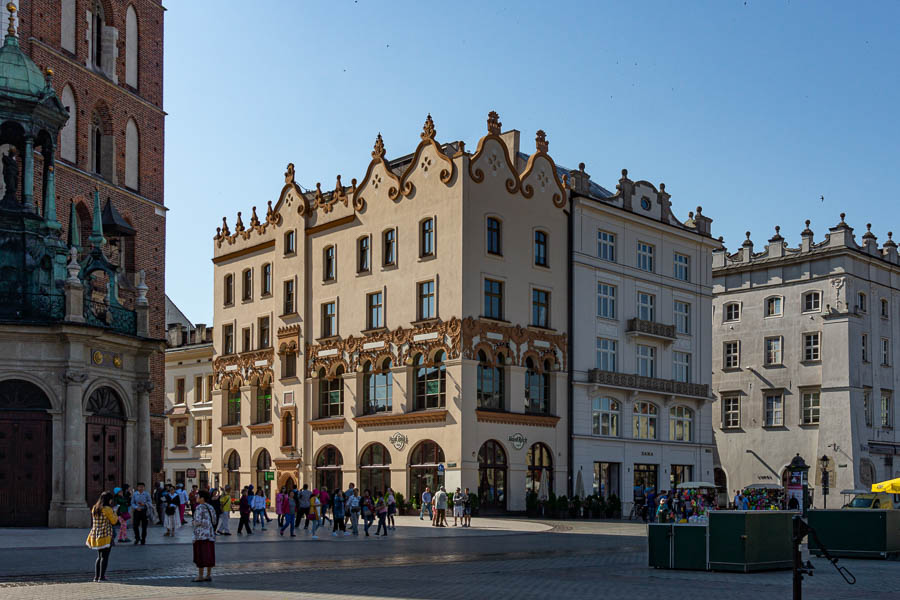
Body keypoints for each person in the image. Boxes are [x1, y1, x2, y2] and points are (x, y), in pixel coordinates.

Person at [86, 491, 118, 582]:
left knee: (99, 557)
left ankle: (96, 577)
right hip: (106, 534)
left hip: (96, 534)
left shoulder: (95, 508)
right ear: (109, 500)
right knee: (105, 557)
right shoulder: (107, 509)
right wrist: (115, 513)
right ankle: (102, 576)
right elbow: (114, 521)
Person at [191, 490, 216, 583]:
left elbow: (197, 522)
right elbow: (214, 521)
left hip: (200, 535)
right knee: (209, 554)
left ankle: (200, 575)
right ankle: (208, 575)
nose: (196, 497)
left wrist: (193, 522)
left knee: (200, 555)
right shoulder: (211, 507)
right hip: (210, 534)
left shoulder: (199, 508)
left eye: (198, 496)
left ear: (202, 498)